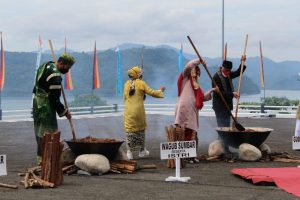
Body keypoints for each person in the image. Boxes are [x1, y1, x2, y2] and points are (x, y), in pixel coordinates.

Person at [32, 53, 75, 165]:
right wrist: (65, 112)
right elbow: (54, 99)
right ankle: (45, 161)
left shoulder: (46, 65)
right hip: (45, 107)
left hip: (37, 103)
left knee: (39, 131)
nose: (68, 70)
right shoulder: (55, 75)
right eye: (68, 67)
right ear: (61, 63)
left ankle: (41, 159)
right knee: (48, 133)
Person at [175, 59, 217, 163]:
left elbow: (202, 97)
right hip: (184, 110)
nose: (197, 76)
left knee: (192, 133)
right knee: (185, 132)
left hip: (192, 111)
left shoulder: (196, 85)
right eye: (196, 73)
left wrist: (212, 90)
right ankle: (186, 156)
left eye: (198, 74)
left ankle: (191, 155)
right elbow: (187, 66)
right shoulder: (185, 79)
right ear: (192, 72)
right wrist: (199, 61)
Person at [124, 66, 165, 160]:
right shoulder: (141, 83)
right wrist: (161, 91)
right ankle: (142, 151)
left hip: (128, 110)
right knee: (141, 130)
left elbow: (125, 97)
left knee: (129, 131)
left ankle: (129, 152)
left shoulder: (126, 84)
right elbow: (152, 93)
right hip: (138, 111)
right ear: (138, 74)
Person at [212, 56, 246, 154]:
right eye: (226, 70)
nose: (227, 72)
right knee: (222, 127)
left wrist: (242, 62)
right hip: (219, 106)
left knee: (226, 126)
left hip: (227, 106)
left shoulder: (229, 74)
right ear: (222, 68)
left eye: (228, 71)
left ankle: (224, 147)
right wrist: (232, 94)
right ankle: (223, 148)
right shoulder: (216, 77)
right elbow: (219, 93)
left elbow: (239, 72)